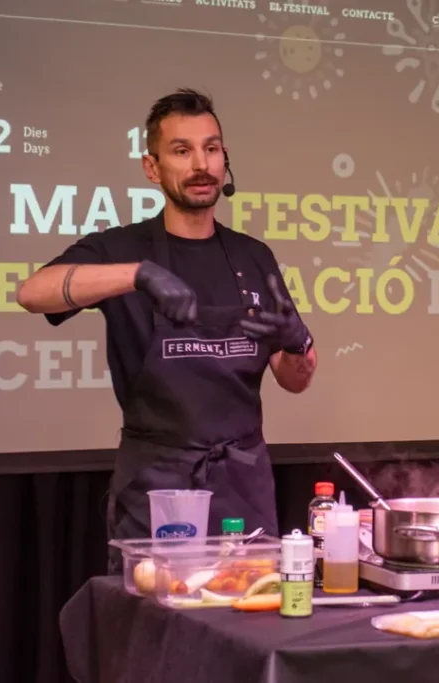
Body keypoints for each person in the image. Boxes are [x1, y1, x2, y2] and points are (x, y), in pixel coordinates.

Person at [17, 88, 316, 565]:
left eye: (211, 148)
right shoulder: (119, 248)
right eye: (182, 150)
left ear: (224, 159)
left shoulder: (254, 256)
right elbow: (33, 293)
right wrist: (137, 275)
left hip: (244, 487)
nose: (201, 164)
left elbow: (295, 380)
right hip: (158, 489)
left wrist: (298, 343)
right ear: (152, 168)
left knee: (250, 608)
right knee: (154, 608)